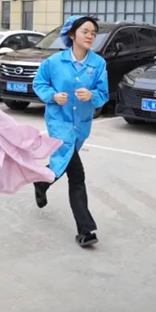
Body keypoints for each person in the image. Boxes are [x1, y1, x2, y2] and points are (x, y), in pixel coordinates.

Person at [32, 15, 109, 248]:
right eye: (85, 31)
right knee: (77, 174)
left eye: (93, 33)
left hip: (81, 125)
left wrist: (92, 95)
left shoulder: (98, 64)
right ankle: (86, 230)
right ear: (72, 34)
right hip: (59, 122)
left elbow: (103, 94)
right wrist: (53, 96)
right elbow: (39, 84)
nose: (90, 36)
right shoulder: (54, 62)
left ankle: (42, 181)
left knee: (64, 162)